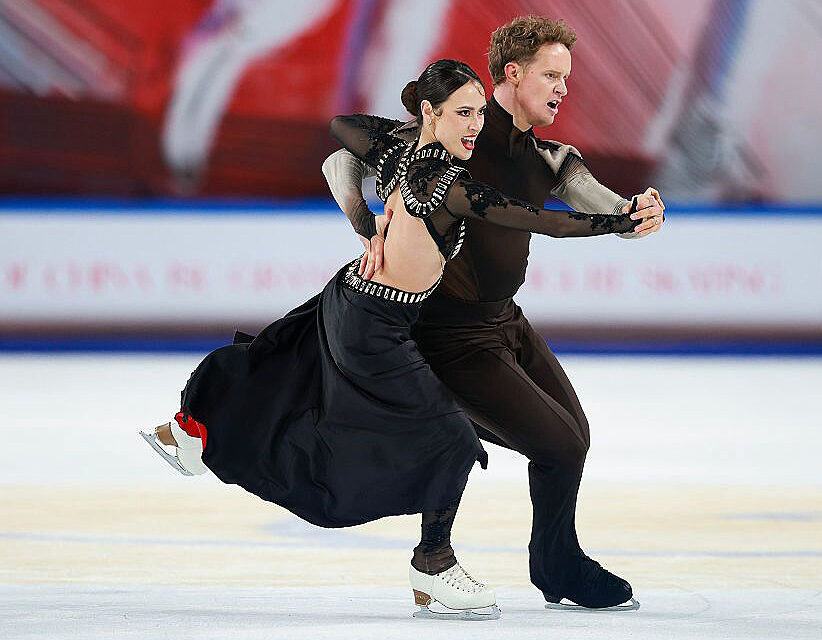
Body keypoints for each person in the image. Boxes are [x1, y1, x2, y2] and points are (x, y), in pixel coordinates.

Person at [141, 58, 645, 620]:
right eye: (462, 113)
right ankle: (433, 567)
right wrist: (619, 223)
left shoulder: (398, 152)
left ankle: (183, 433)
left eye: (480, 112)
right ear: (429, 112)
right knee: (450, 441)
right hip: (377, 326)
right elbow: (541, 220)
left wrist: (365, 218)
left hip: (351, 297)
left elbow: (341, 132)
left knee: (277, 369)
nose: (475, 126)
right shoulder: (448, 182)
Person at [324, 15, 665, 611]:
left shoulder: (552, 157)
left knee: (572, 439)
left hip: (504, 321)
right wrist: (366, 227)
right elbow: (339, 159)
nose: (563, 88)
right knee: (554, 444)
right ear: (513, 72)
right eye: (552, 76)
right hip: (449, 335)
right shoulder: (450, 137)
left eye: (567, 78)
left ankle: (553, 560)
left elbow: (609, 212)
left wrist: (638, 214)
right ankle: (511, 558)